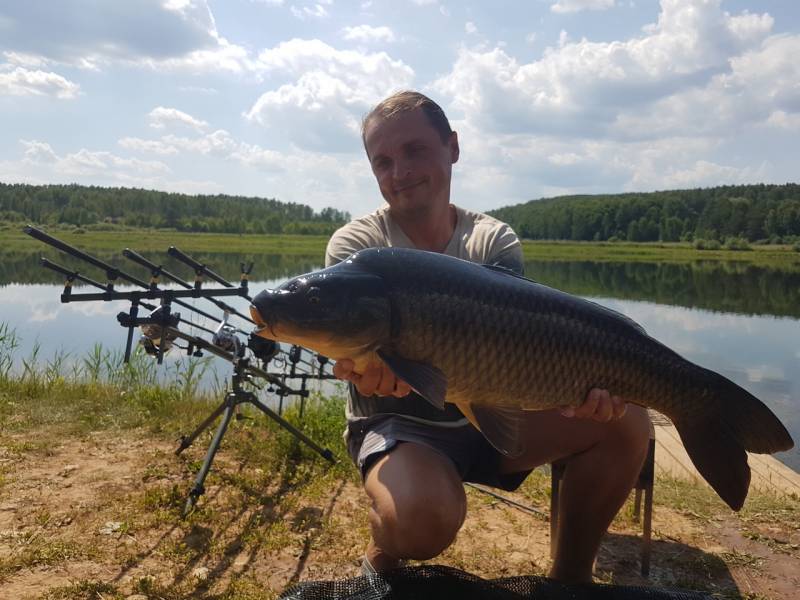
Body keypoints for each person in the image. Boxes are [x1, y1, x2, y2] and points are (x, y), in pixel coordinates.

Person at [325, 90, 650, 584]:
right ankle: (390, 539)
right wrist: (365, 372)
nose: (400, 172)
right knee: (419, 523)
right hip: (403, 427)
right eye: (383, 161)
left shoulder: (492, 240)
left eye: (415, 151)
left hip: (493, 415)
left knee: (628, 421)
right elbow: (356, 355)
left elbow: (522, 353)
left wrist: (583, 391)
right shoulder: (357, 248)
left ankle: (568, 580)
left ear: (453, 147)